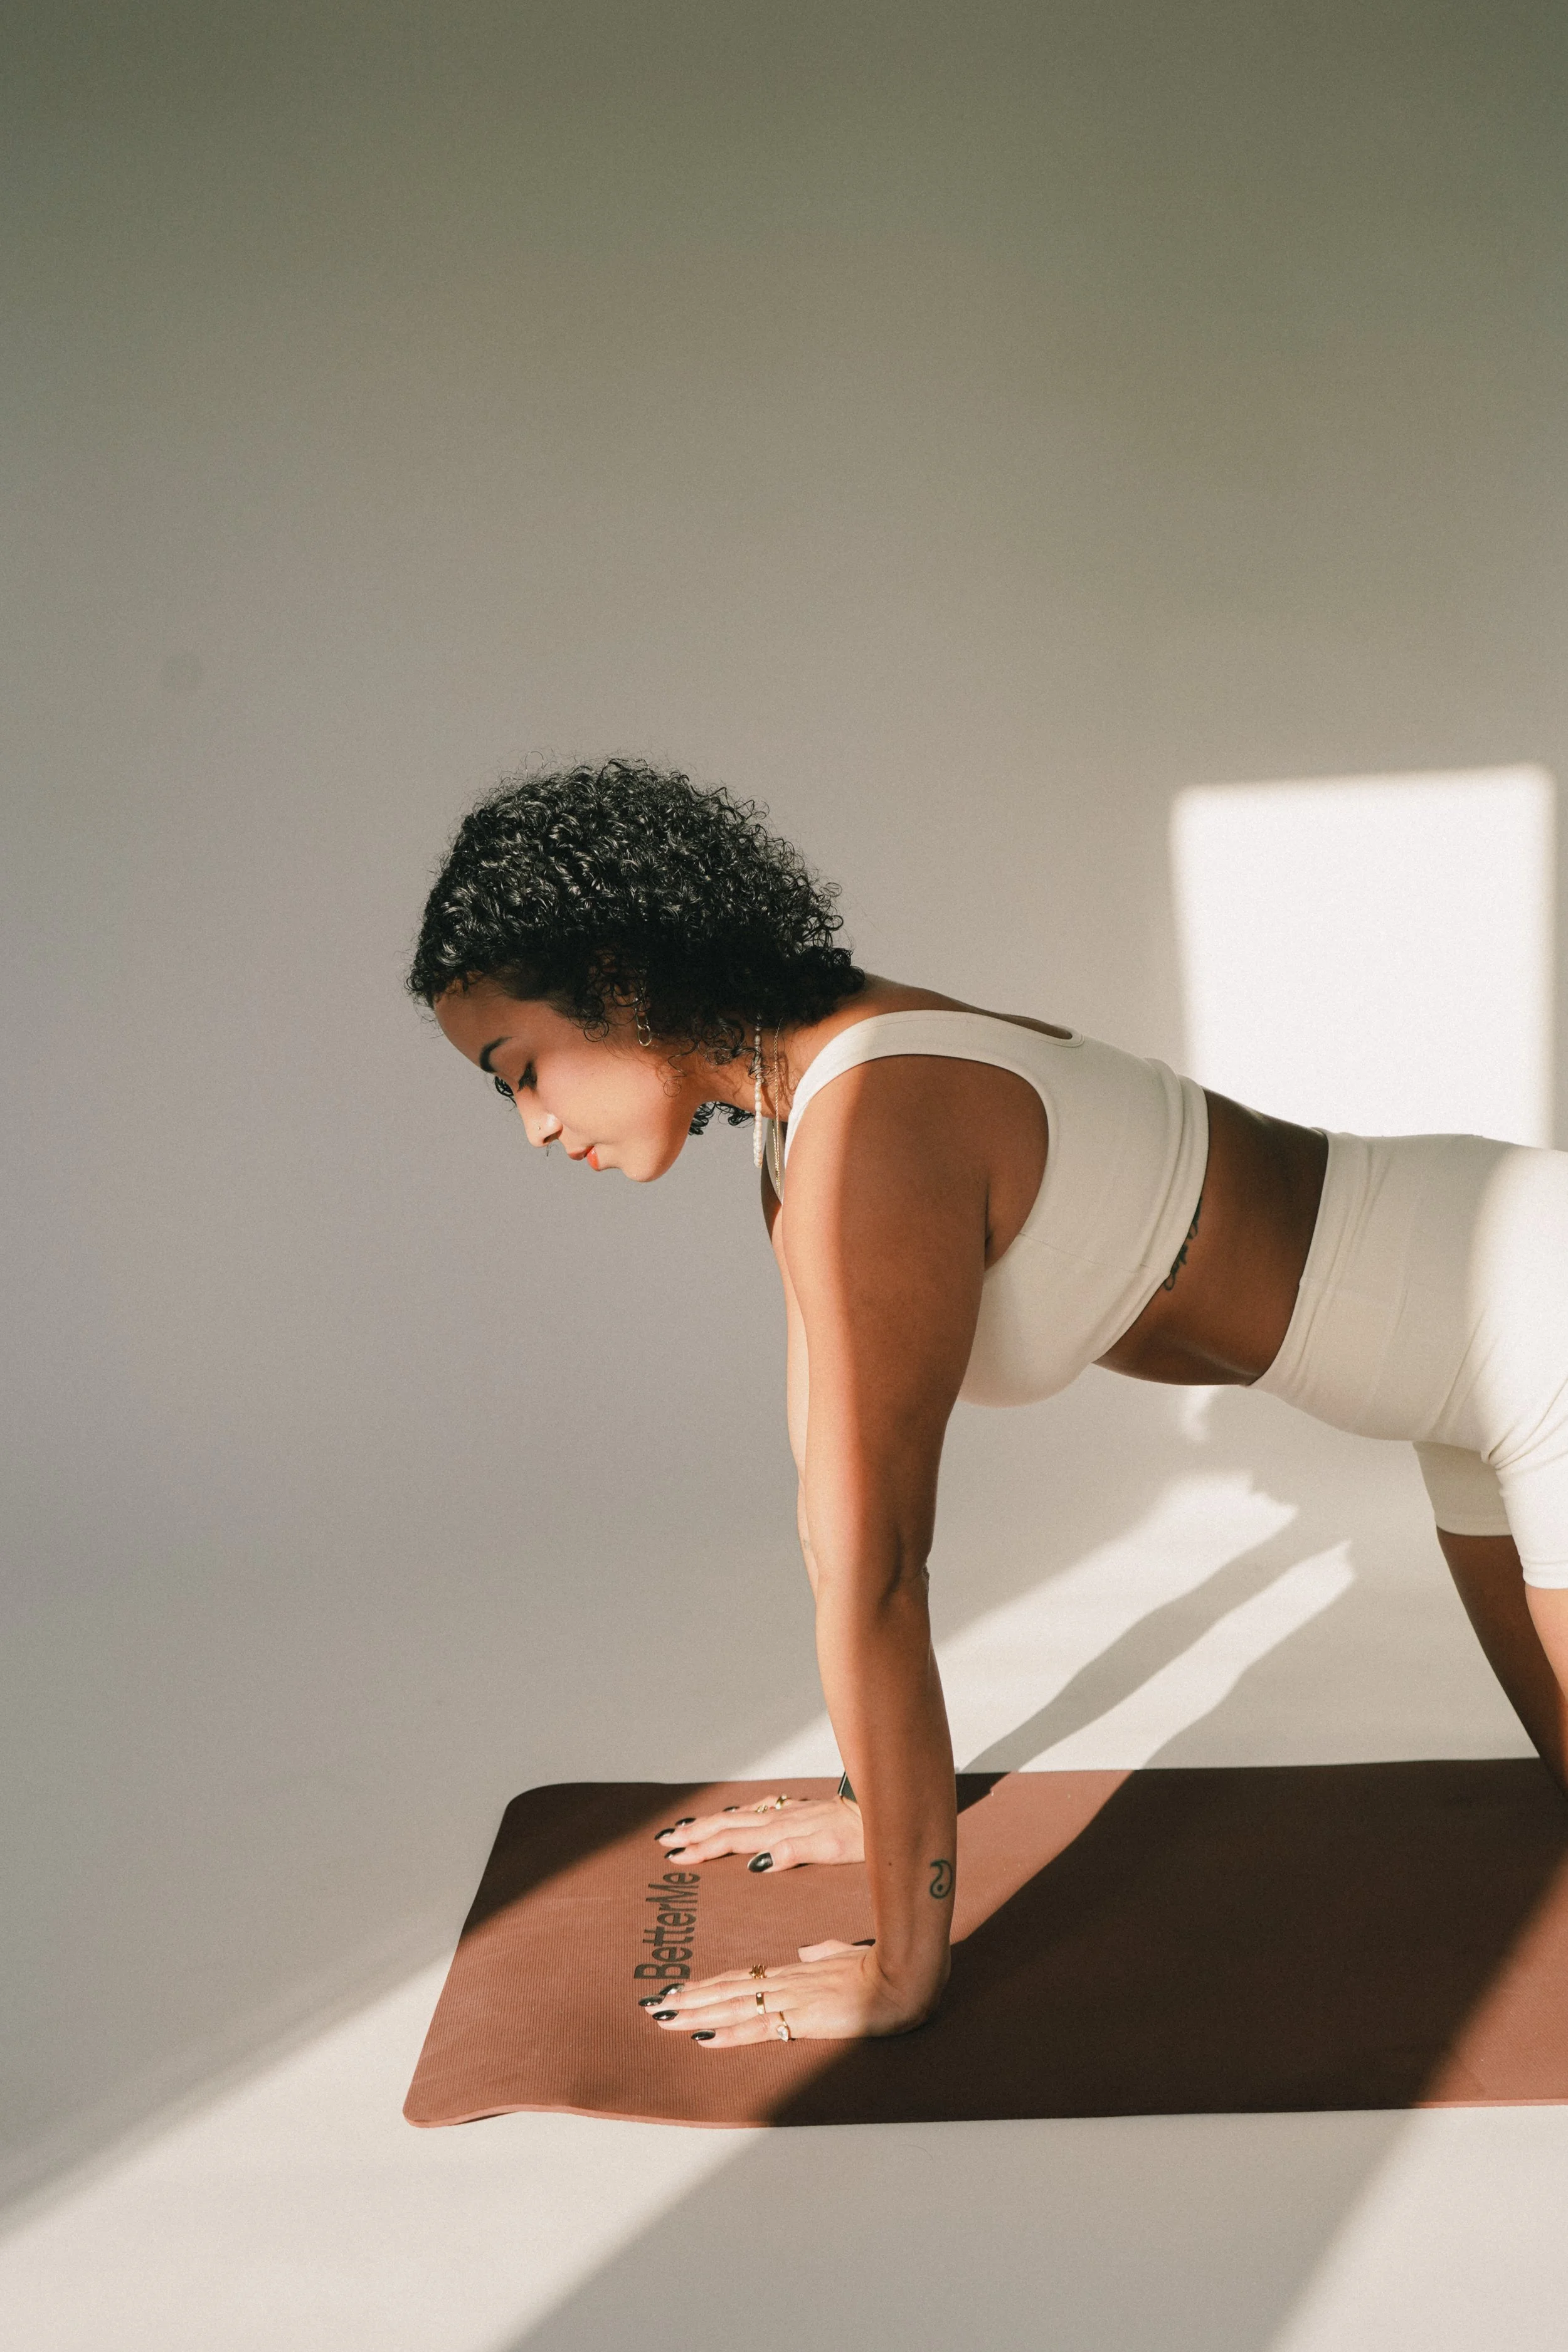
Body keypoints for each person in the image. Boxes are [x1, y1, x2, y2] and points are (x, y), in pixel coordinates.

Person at [408, 758, 1568, 2052]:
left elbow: (880, 1567)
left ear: (618, 983)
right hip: (1465, 1378)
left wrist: (904, 1969)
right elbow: (831, 1527)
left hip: (1541, 1328)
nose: (527, 1124)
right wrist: (872, 1804)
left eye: (521, 1068)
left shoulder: (875, 1123)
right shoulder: (798, 1127)